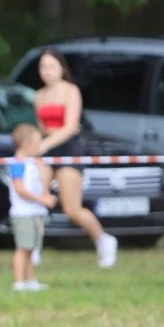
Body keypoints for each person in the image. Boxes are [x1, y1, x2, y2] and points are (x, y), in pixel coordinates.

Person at [33, 47, 118, 268]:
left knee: (72, 209)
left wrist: (44, 144)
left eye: (51, 66)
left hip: (68, 148)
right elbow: (41, 127)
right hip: (45, 149)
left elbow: (70, 127)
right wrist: (37, 144)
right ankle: (32, 248)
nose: (47, 71)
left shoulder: (71, 91)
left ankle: (103, 240)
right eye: (43, 67)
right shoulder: (39, 95)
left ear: (61, 68)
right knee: (36, 198)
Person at [8, 124, 56, 292]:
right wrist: (41, 199)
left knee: (31, 249)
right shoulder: (18, 163)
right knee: (23, 248)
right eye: (37, 142)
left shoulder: (33, 163)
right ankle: (19, 281)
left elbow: (44, 179)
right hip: (23, 213)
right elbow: (19, 189)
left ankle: (29, 279)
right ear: (25, 143)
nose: (39, 146)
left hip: (35, 212)